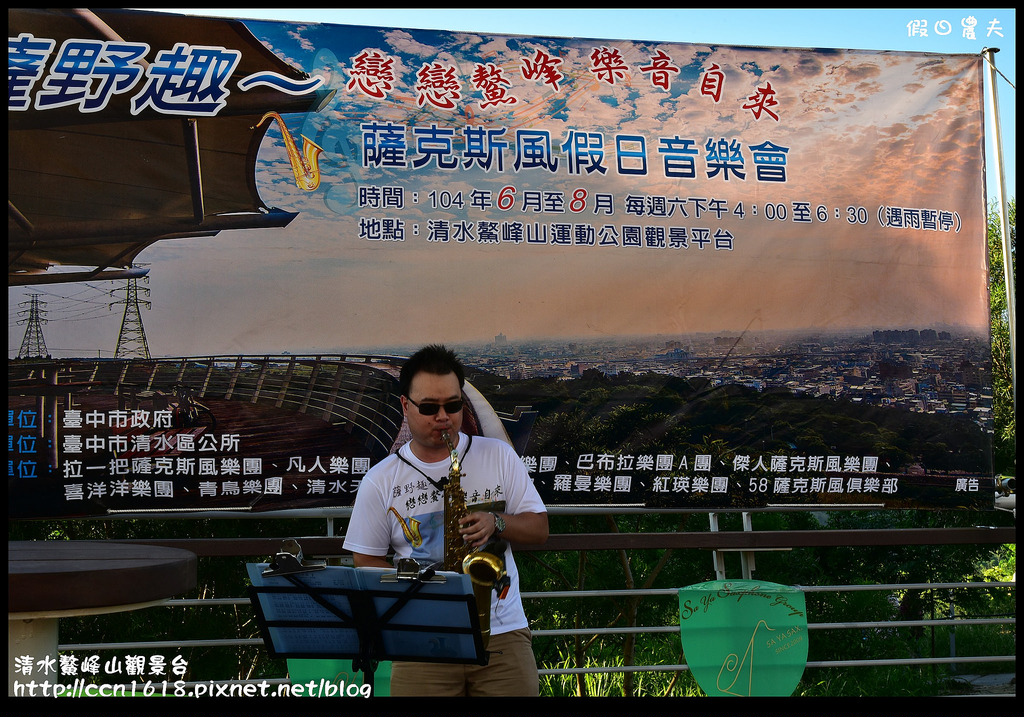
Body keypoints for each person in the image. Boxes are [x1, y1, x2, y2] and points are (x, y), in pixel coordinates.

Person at [343, 344, 549, 697]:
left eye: (453, 406)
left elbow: (539, 528)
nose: (444, 417)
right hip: (423, 638)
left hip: (502, 634)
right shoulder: (381, 480)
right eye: (430, 408)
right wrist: (410, 586)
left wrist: (497, 522)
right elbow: (365, 559)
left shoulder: (498, 455)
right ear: (405, 406)